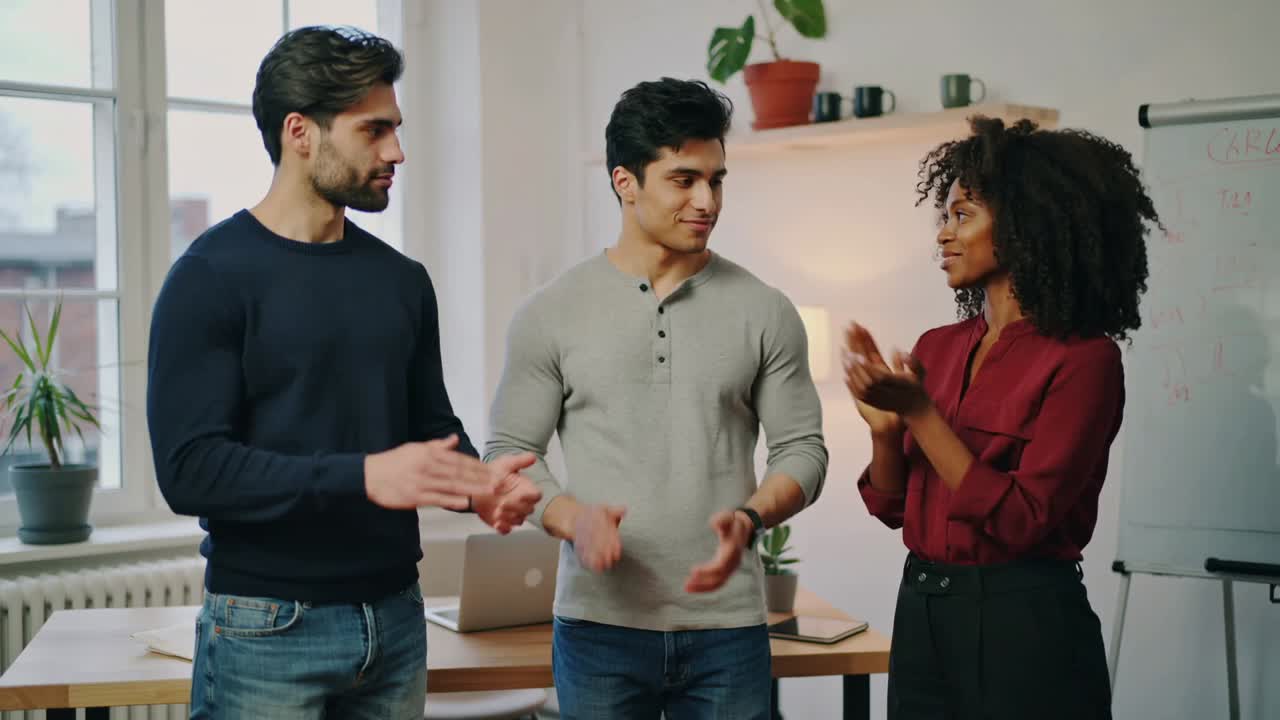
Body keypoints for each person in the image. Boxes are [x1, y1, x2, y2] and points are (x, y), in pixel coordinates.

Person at [146, 26, 541, 719]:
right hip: (266, 627)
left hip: (394, 620)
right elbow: (190, 470)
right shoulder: (208, 278)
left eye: (396, 128)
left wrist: (478, 487)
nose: (397, 151)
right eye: (374, 130)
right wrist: (363, 475)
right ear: (301, 132)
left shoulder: (402, 282)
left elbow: (430, 428)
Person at [484, 77, 828, 719]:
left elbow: (803, 450)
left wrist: (750, 518)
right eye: (684, 179)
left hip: (729, 631)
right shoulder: (552, 313)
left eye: (717, 180)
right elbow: (509, 451)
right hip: (597, 630)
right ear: (625, 182)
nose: (707, 200)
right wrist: (572, 518)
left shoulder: (765, 311)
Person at [845, 116, 1159, 720]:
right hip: (921, 609)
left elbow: (1020, 520)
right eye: (946, 215)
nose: (943, 234)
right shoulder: (936, 346)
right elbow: (891, 508)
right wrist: (886, 431)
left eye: (963, 215)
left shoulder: (1084, 360)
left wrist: (921, 414)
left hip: (1026, 623)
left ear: (1024, 226)